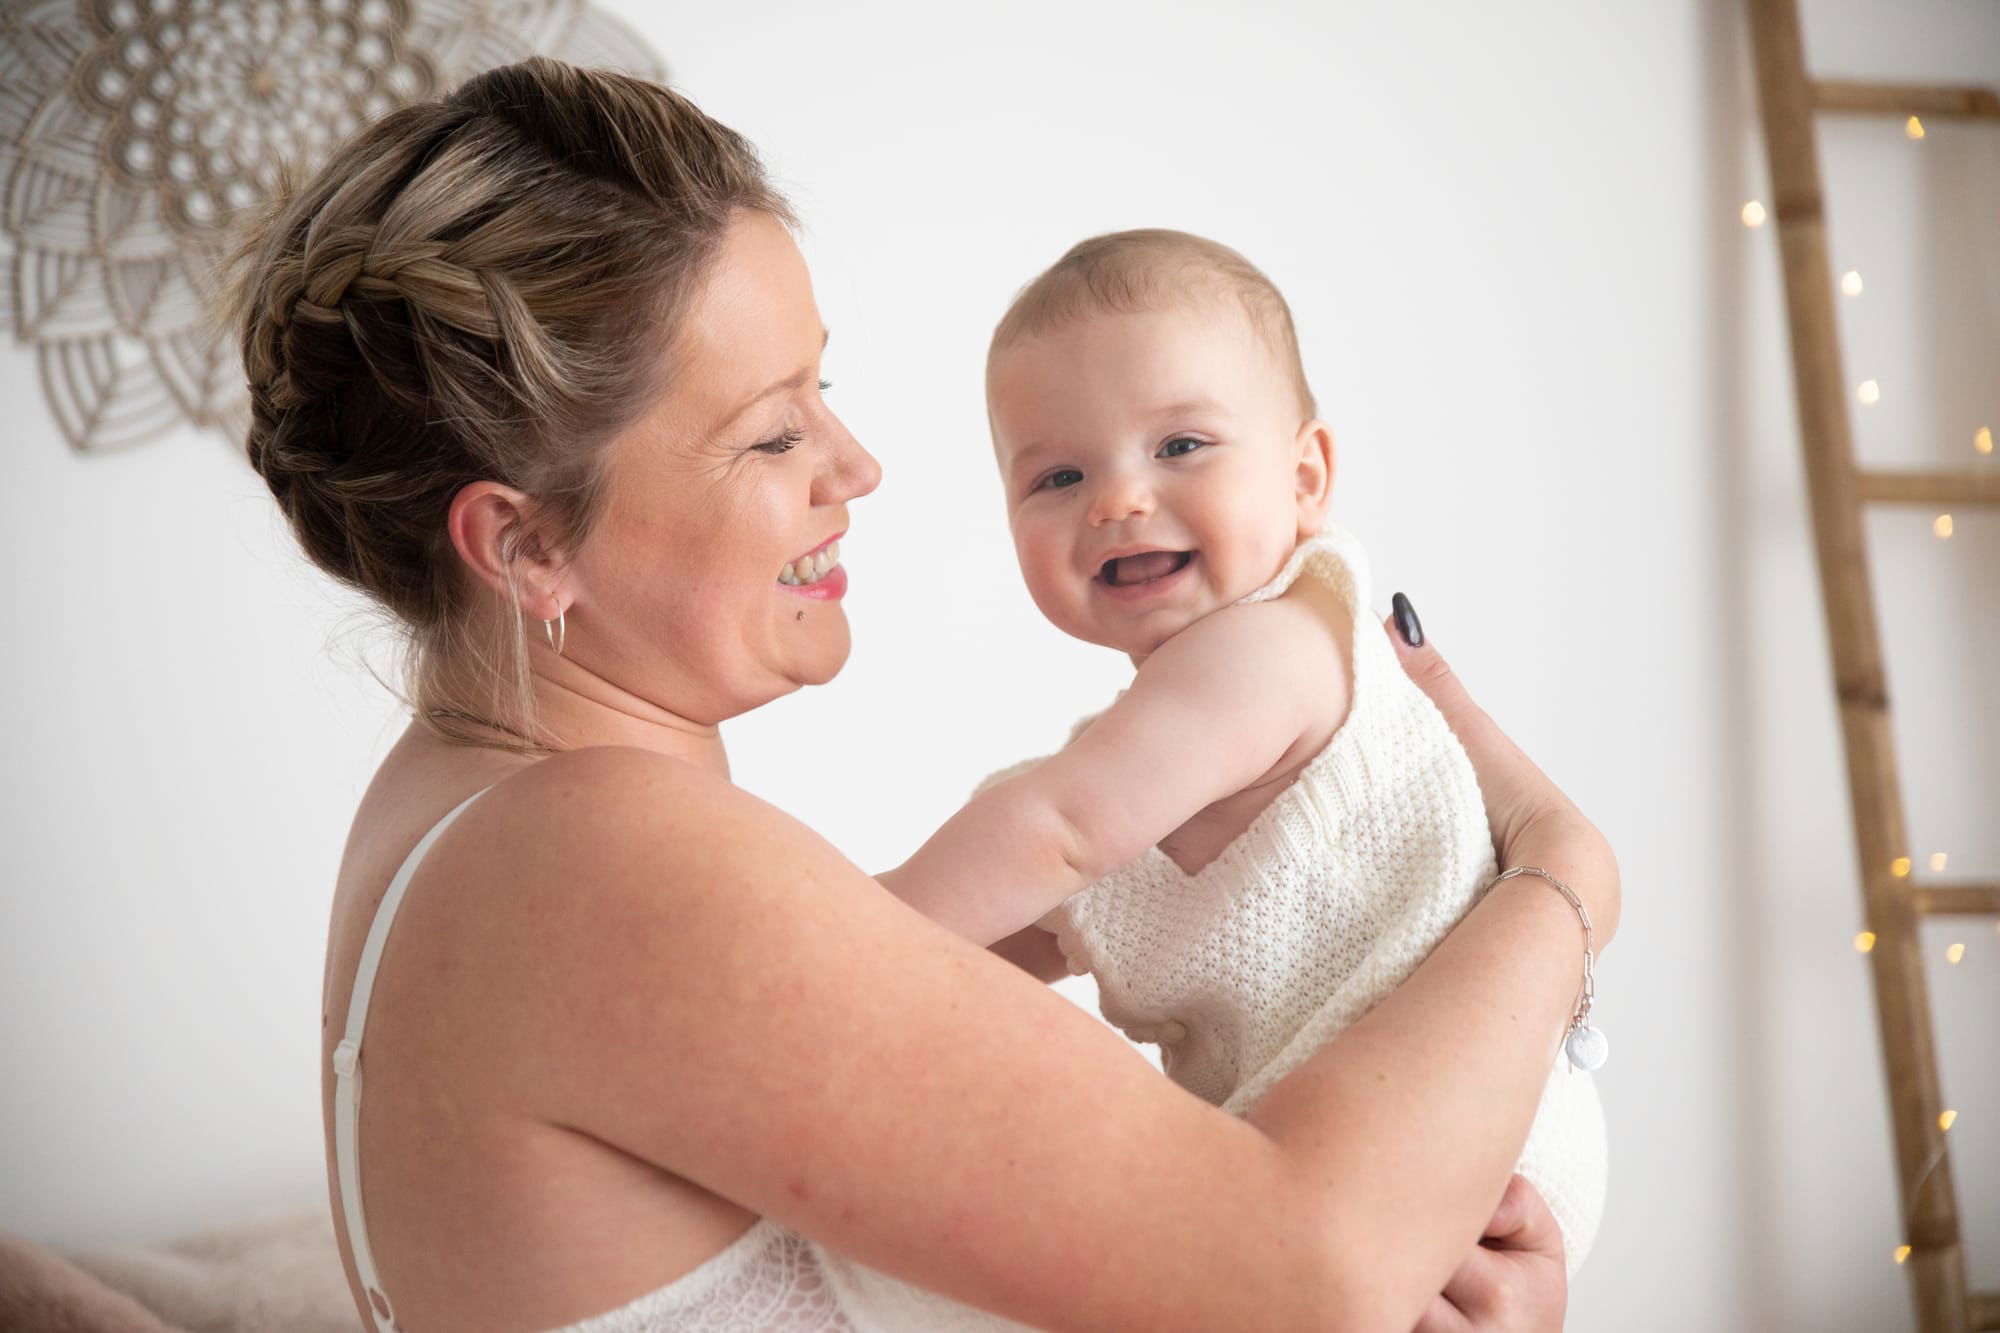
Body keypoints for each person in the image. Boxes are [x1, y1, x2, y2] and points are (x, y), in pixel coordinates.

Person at [229, 55, 1619, 1332]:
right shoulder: (602, 857)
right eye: (773, 430)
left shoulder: (451, 815)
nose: (857, 465)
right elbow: (1310, 1275)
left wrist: (1421, 1216)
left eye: (822, 387)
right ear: (527, 542)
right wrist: (1562, 887)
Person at [876, 230, 1605, 1273]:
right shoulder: (1137, 767)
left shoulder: (1278, 646)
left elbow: (1054, 834)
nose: (1116, 499)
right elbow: (964, 951)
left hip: (1485, 1134)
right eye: (1058, 474)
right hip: (1356, 1155)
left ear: (1305, 476)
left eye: (1179, 447)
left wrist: (841, 921)